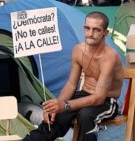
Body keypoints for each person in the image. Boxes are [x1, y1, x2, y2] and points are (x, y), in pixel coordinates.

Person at [23, 11, 124, 141]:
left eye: (96, 30)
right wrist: (58, 105)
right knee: (55, 116)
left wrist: (65, 105)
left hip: (107, 102)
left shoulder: (110, 57)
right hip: (83, 94)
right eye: (87, 28)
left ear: (105, 33)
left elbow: (99, 98)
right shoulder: (78, 50)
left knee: (85, 115)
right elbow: (71, 85)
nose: (90, 33)